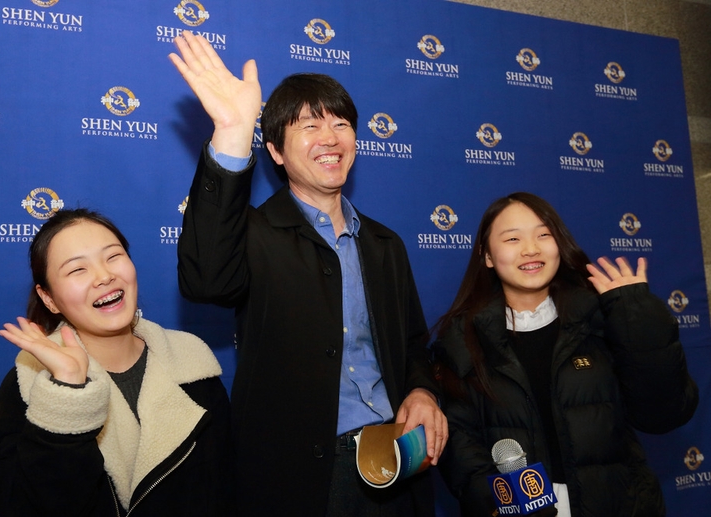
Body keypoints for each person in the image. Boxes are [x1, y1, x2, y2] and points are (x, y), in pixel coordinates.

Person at [169, 31, 447, 516]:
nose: (330, 137)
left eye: (341, 124)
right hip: (300, 475)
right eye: (309, 126)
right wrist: (232, 132)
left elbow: (412, 346)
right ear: (276, 152)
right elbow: (206, 281)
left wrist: (422, 390)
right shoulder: (253, 233)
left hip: (395, 457)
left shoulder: (385, 244)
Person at [432, 192, 699, 516]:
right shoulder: (464, 337)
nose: (531, 249)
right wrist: (505, 503)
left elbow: (664, 415)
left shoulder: (601, 318)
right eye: (513, 238)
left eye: (544, 235)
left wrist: (638, 317)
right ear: (487, 255)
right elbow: (459, 443)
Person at [0, 208, 235, 517]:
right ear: (49, 298)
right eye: (77, 269)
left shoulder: (194, 365)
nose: (104, 276)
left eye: (113, 256)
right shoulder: (29, 386)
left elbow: (226, 491)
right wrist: (67, 394)